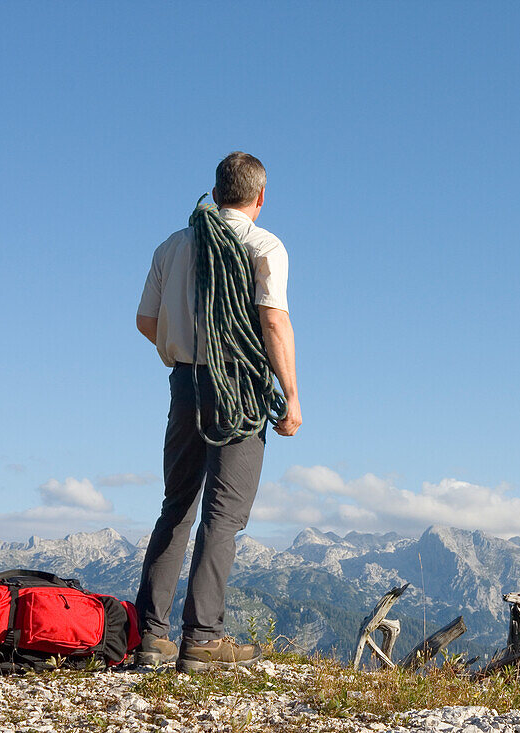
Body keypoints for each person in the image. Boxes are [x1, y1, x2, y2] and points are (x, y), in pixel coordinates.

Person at [133, 151, 301, 672]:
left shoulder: (174, 244)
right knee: (223, 515)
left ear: (217, 188)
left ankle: (149, 635)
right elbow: (273, 323)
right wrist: (292, 395)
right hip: (239, 390)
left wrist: (183, 351)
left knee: (176, 505)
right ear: (260, 196)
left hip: (185, 385)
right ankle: (203, 638)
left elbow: (145, 320)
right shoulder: (262, 244)